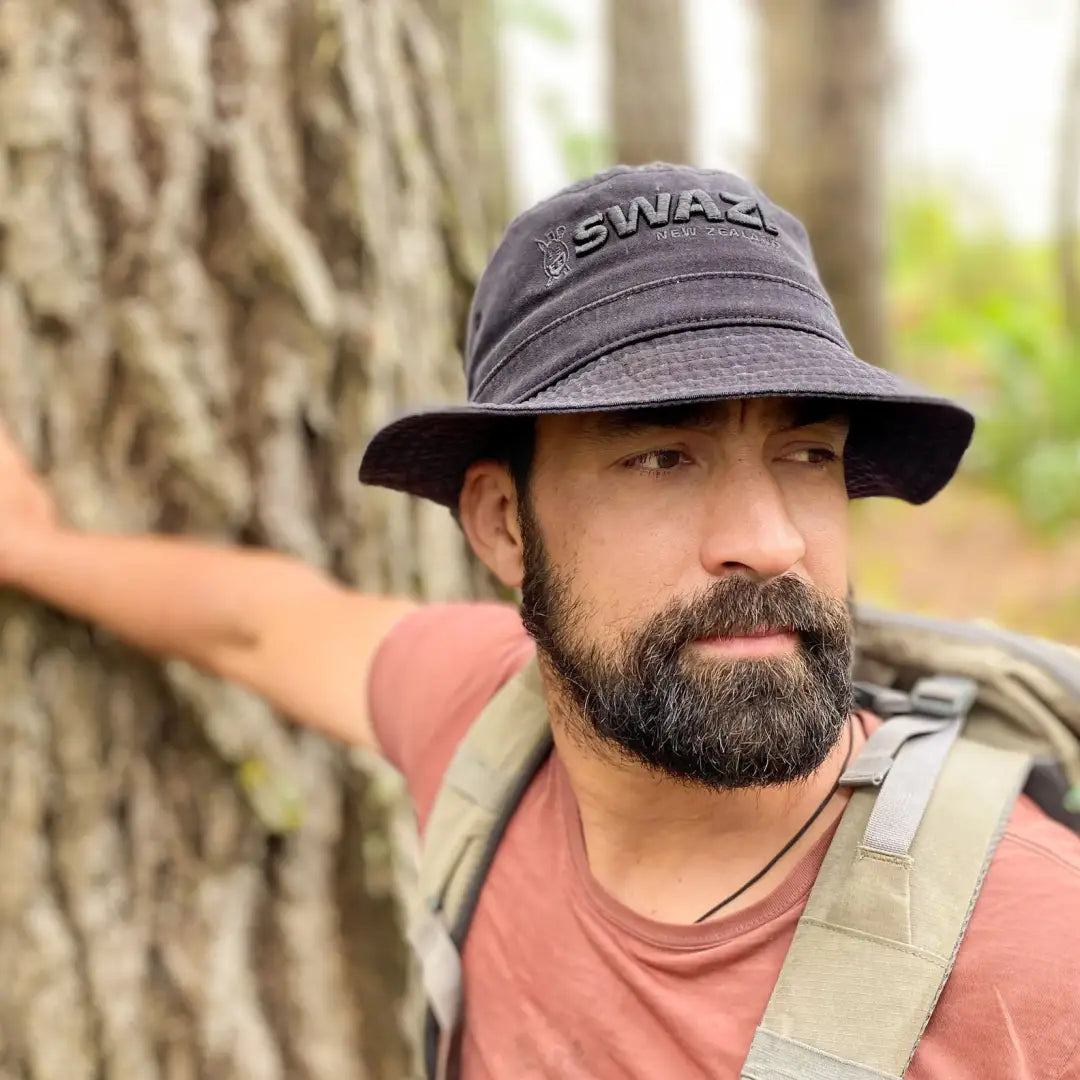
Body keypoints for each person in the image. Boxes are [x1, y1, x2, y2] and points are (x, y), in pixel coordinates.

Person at [2, 164, 1078, 1079]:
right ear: (506, 523)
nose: (773, 539)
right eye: (663, 456)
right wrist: (37, 549)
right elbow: (265, 625)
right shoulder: (491, 727)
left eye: (807, 455)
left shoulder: (1034, 953)